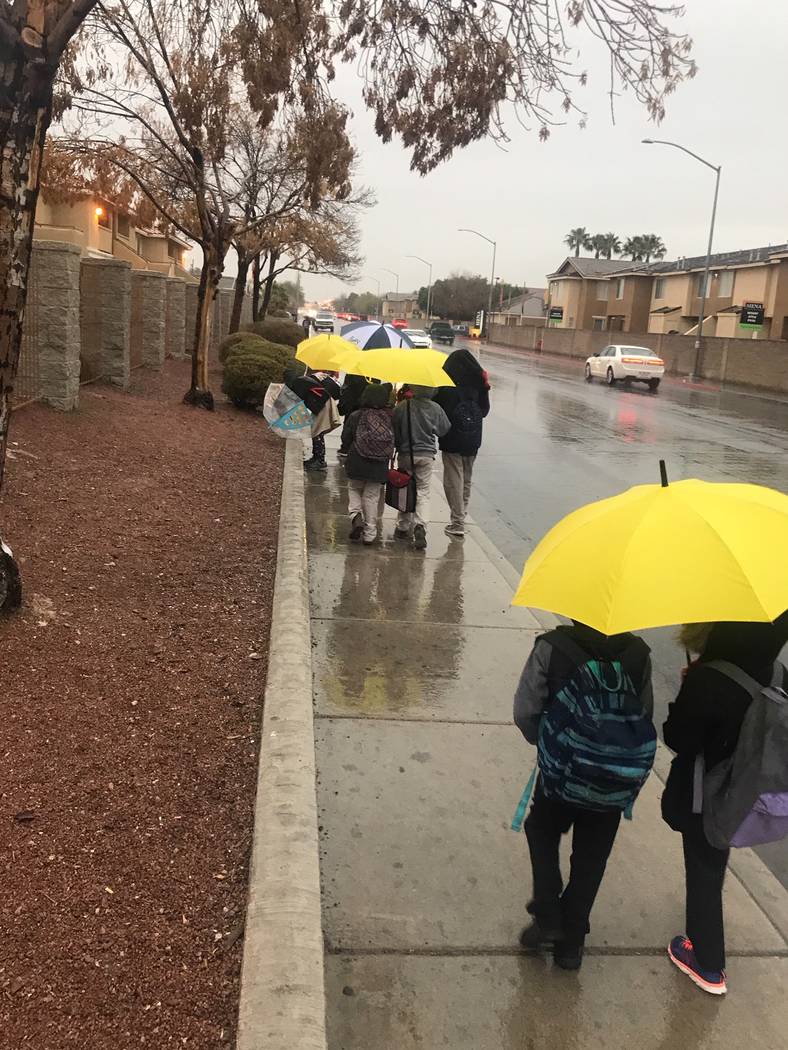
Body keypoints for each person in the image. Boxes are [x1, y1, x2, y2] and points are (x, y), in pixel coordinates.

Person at [514, 621, 654, 970]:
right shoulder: (639, 655)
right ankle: (572, 945)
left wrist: (547, 744)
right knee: (592, 855)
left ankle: (547, 911)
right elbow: (645, 714)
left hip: (561, 775)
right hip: (613, 780)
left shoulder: (552, 647)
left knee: (541, 830)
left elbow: (525, 711)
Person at [662, 614, 788, 995]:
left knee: (704, 866)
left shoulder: (710, 680)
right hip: (745, 792)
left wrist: (693, 687)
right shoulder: (776, 672)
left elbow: (678, 737)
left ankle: (707, 962)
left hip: (706, 796)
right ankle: (706, 945)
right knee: (713, 861)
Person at [432, 349, 490, 537]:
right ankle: (461, 515)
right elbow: (485, 410)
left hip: (452, 437)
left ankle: (457, 522)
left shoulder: (447, 383)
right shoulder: (479, 383)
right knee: (466, 478)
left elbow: (438, 410)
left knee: (453, 480)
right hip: (473, 437)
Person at [392, 385, 450, 550]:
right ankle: (420, 526)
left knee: (404, 488)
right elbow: (444, 429)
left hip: (406, 453)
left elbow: (394, 426)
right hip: (426, 455)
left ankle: (403, 525)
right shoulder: (435, 408)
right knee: (423, 492)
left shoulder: (404, 406)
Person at [341, 383, 394, 544]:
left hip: (357, 459)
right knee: (371, 497)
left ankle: (356, 516)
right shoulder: (390, 416)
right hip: (379, 464)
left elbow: (346, 438)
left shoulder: (356, 415)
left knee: (354, 489)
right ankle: (370, 533)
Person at [337, 375, 368, 458]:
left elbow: (346, 389)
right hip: (365, 406)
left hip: (351, 404)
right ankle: (358, 448)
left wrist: (342, 405)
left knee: (349, 426)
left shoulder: (352, 373)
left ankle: (346, 447)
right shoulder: (372, 375)